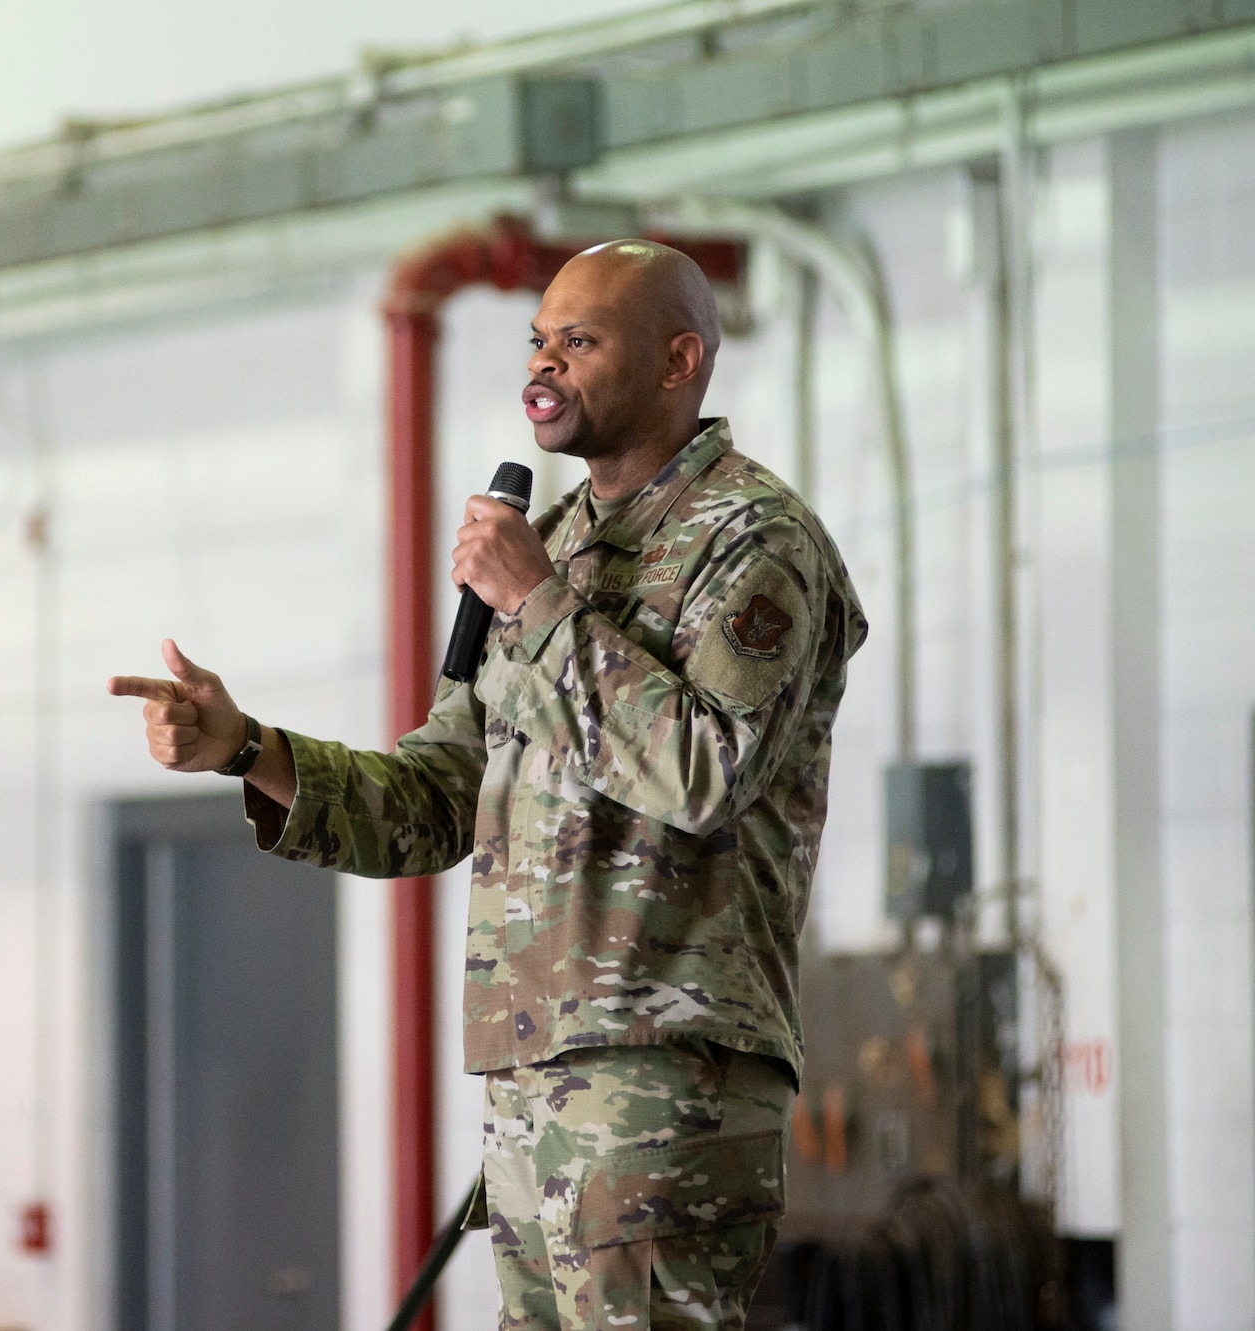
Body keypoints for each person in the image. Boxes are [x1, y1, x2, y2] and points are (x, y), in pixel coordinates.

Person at [110, 240, 867, 1329]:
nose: (544, 364)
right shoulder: (550, 545)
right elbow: (434, 796)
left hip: (662, 1079)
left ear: (677, 359)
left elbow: (704, 769)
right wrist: (244, 747)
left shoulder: (750, 537)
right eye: (536, 339)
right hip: (530, 1086)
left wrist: (540, 605)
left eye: (580, 339)